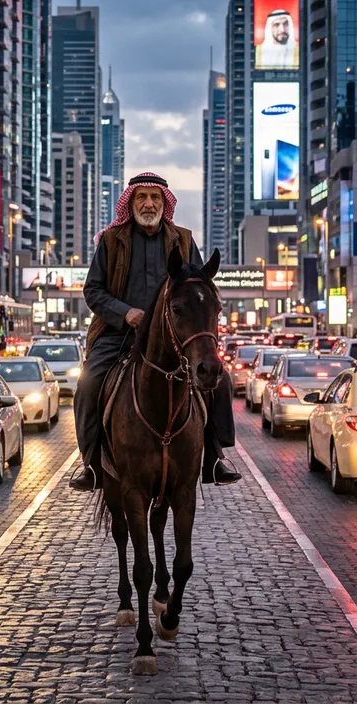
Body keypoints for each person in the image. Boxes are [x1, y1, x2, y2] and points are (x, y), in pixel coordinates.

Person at [70, 171, 241, 492]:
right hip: (119, 335)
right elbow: (93, 290)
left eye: (155, 198)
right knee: (89, 384)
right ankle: (90, 463)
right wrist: (126, 313)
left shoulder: (184, 240)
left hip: (172, 338)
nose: (148, 204)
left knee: (220, 381)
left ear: (165, 202)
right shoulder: (111, 240)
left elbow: (200, 285)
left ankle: (215, 457)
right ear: (131, 202)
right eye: (141, 197)